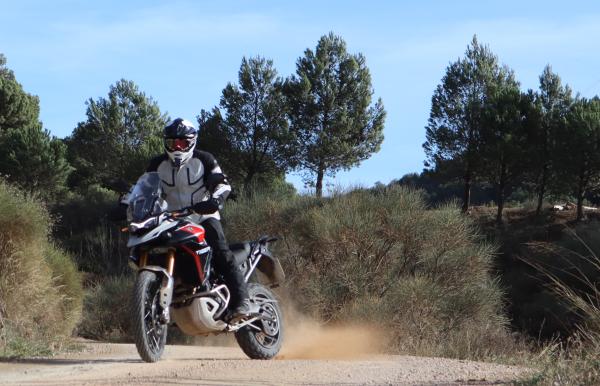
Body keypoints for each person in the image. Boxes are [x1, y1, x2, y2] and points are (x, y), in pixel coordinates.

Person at [144, 117, 258, 319]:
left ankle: (243, 301)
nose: (177, 147)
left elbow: (221, 182)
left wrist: (216, 198)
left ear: (192, 141)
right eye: (173, 143)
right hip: (171, 220)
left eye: (182, 142)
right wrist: (125, 204)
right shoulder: (157, 164)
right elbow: (144, 188)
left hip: (203, 216)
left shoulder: (204, 159)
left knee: (221, 252)